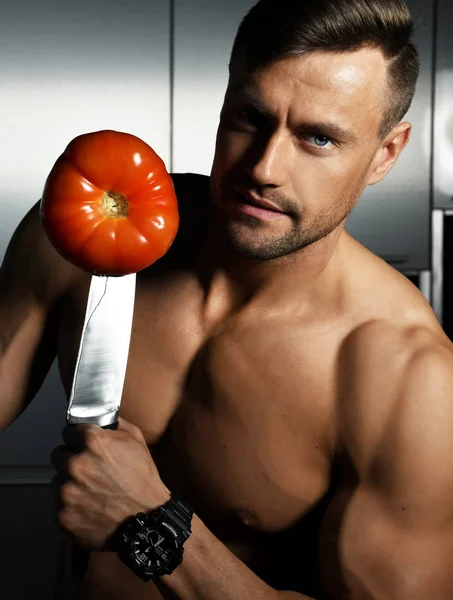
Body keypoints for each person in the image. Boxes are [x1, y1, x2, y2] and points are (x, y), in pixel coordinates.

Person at [2, 0, 453, 598]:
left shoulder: (408, 381)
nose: (264, 168)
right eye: (250, 116)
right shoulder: (93, 230)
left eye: (318, 138)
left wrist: (152, 524)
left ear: (385, 153)